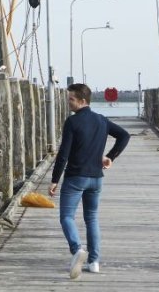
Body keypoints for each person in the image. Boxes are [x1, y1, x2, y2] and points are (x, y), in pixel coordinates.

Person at [48, 83, 131, 280]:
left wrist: (54, 180)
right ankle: (94, 262)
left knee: (67, 216)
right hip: (96, 179)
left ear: (82, 101)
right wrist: (110, 156)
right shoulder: (101, 120)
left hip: (76, 177)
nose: (68, 103)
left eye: (71, 99)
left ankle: (77, 249)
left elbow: (63, 155)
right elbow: (124, 135)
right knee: (91, 218)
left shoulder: (72, 122)